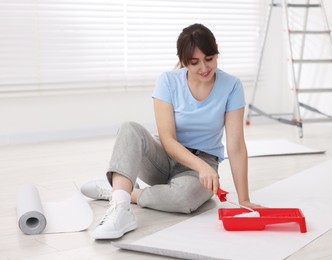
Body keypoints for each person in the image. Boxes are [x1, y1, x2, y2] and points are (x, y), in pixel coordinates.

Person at [81, 23, 262, 240]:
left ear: (217, 53)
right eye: (195, 63)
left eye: (209, 59)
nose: (204, 68)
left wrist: (244, 199)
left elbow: (236, 145)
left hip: (203, 165)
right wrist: (200, 166)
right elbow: (167, 140)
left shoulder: (231, 85)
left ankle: (122, 192)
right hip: (165, 157)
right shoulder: (167, 81)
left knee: (184, 199)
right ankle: (120, 210)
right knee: (130, 129)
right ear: (183, 61)